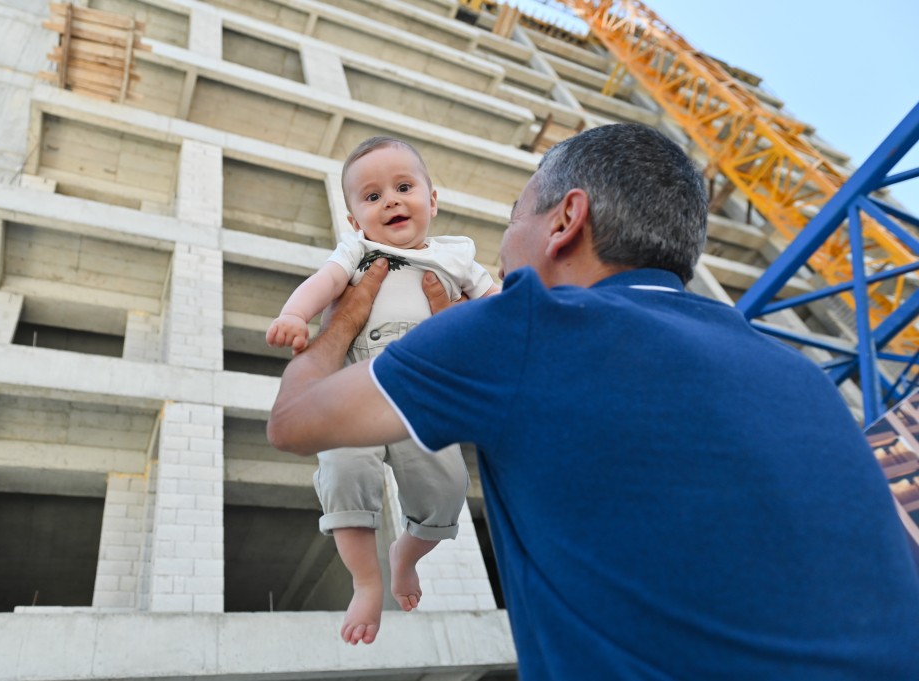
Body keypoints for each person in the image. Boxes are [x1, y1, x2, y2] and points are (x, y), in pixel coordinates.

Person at [268, 123, 919, 678]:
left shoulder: (521, 327)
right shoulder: (801, 375)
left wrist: (344, 321)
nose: (502, 242)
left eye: (514, 215)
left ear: (565, 220)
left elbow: (294, 422)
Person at [266, 136, 499, 646]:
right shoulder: (357, 250)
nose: (390, 200)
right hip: (358, 378)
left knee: (446, 490)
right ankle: (366, 582)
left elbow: (494, 303)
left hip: (424, 391)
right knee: (345, 469)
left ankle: (406, 556)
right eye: (371, 197)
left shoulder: (456, 256)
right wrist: (294, 314)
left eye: (403, 187)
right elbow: (324, 282)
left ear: (432, 201)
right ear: (355, 220)